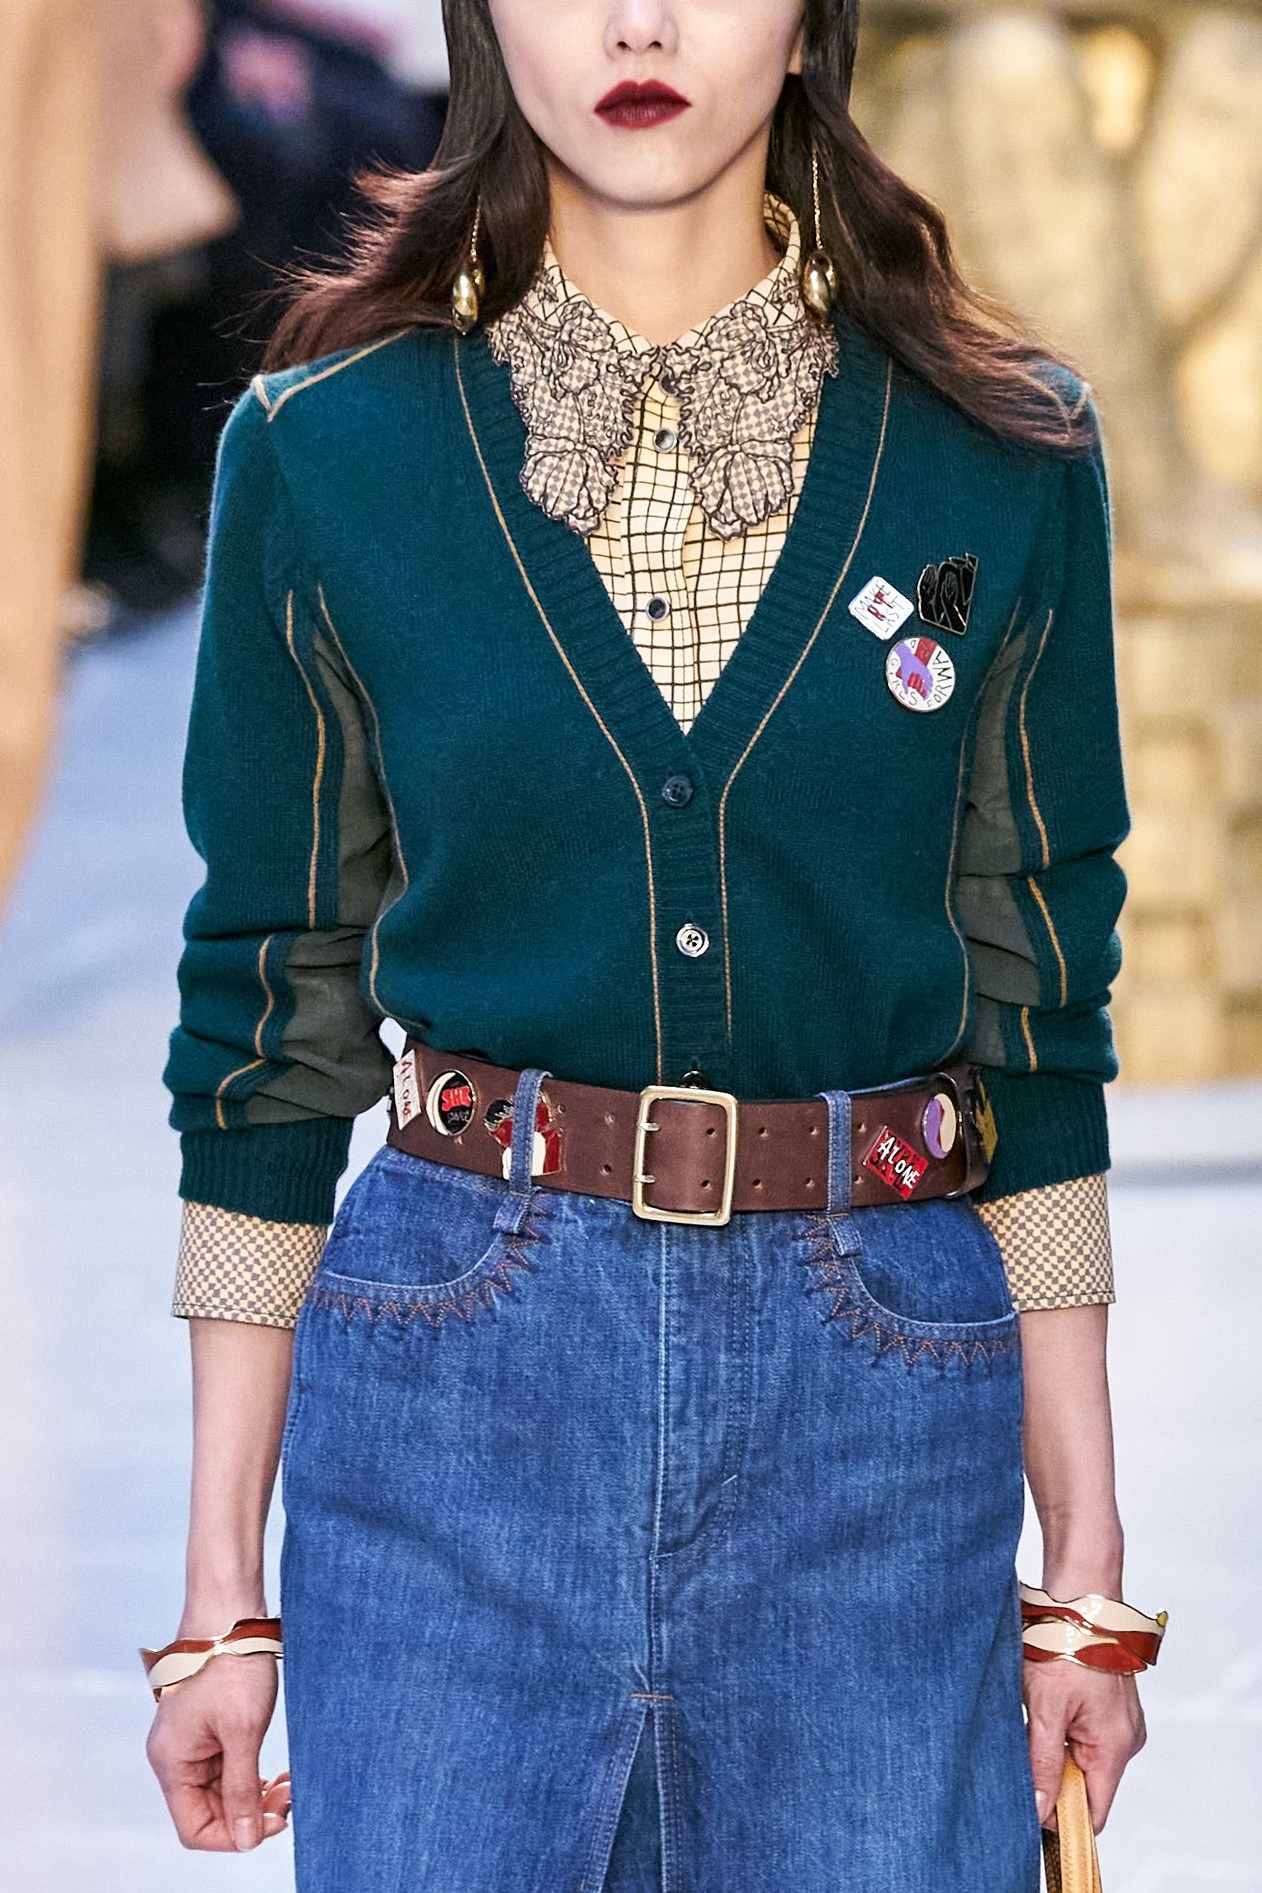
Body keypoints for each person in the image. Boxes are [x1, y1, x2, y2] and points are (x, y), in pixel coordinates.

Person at [143, 2, 1165, 1887]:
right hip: (450, 1398)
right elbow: (269, 1014)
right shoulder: (329, 452)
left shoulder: (997, 453)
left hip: (879, 1408)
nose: (636, 23)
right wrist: (221, 1587)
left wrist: (1081, 1551)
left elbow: (1038, 1005)